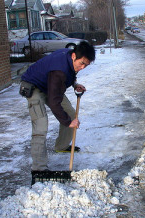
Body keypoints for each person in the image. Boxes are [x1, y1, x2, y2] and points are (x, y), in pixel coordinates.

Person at [20, 41, 96, 171]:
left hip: (49, 84)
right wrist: (67, 122)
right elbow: (54, 102)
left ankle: (61, 146)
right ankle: (39, 169)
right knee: (41, 126)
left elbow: (70, 71)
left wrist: (74, 84)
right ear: (74, 56)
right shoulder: (58, 72)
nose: (83, 67)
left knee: (72, 115)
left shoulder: (69, 56)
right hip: (33, 86)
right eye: (82, 63)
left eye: (86, 65)